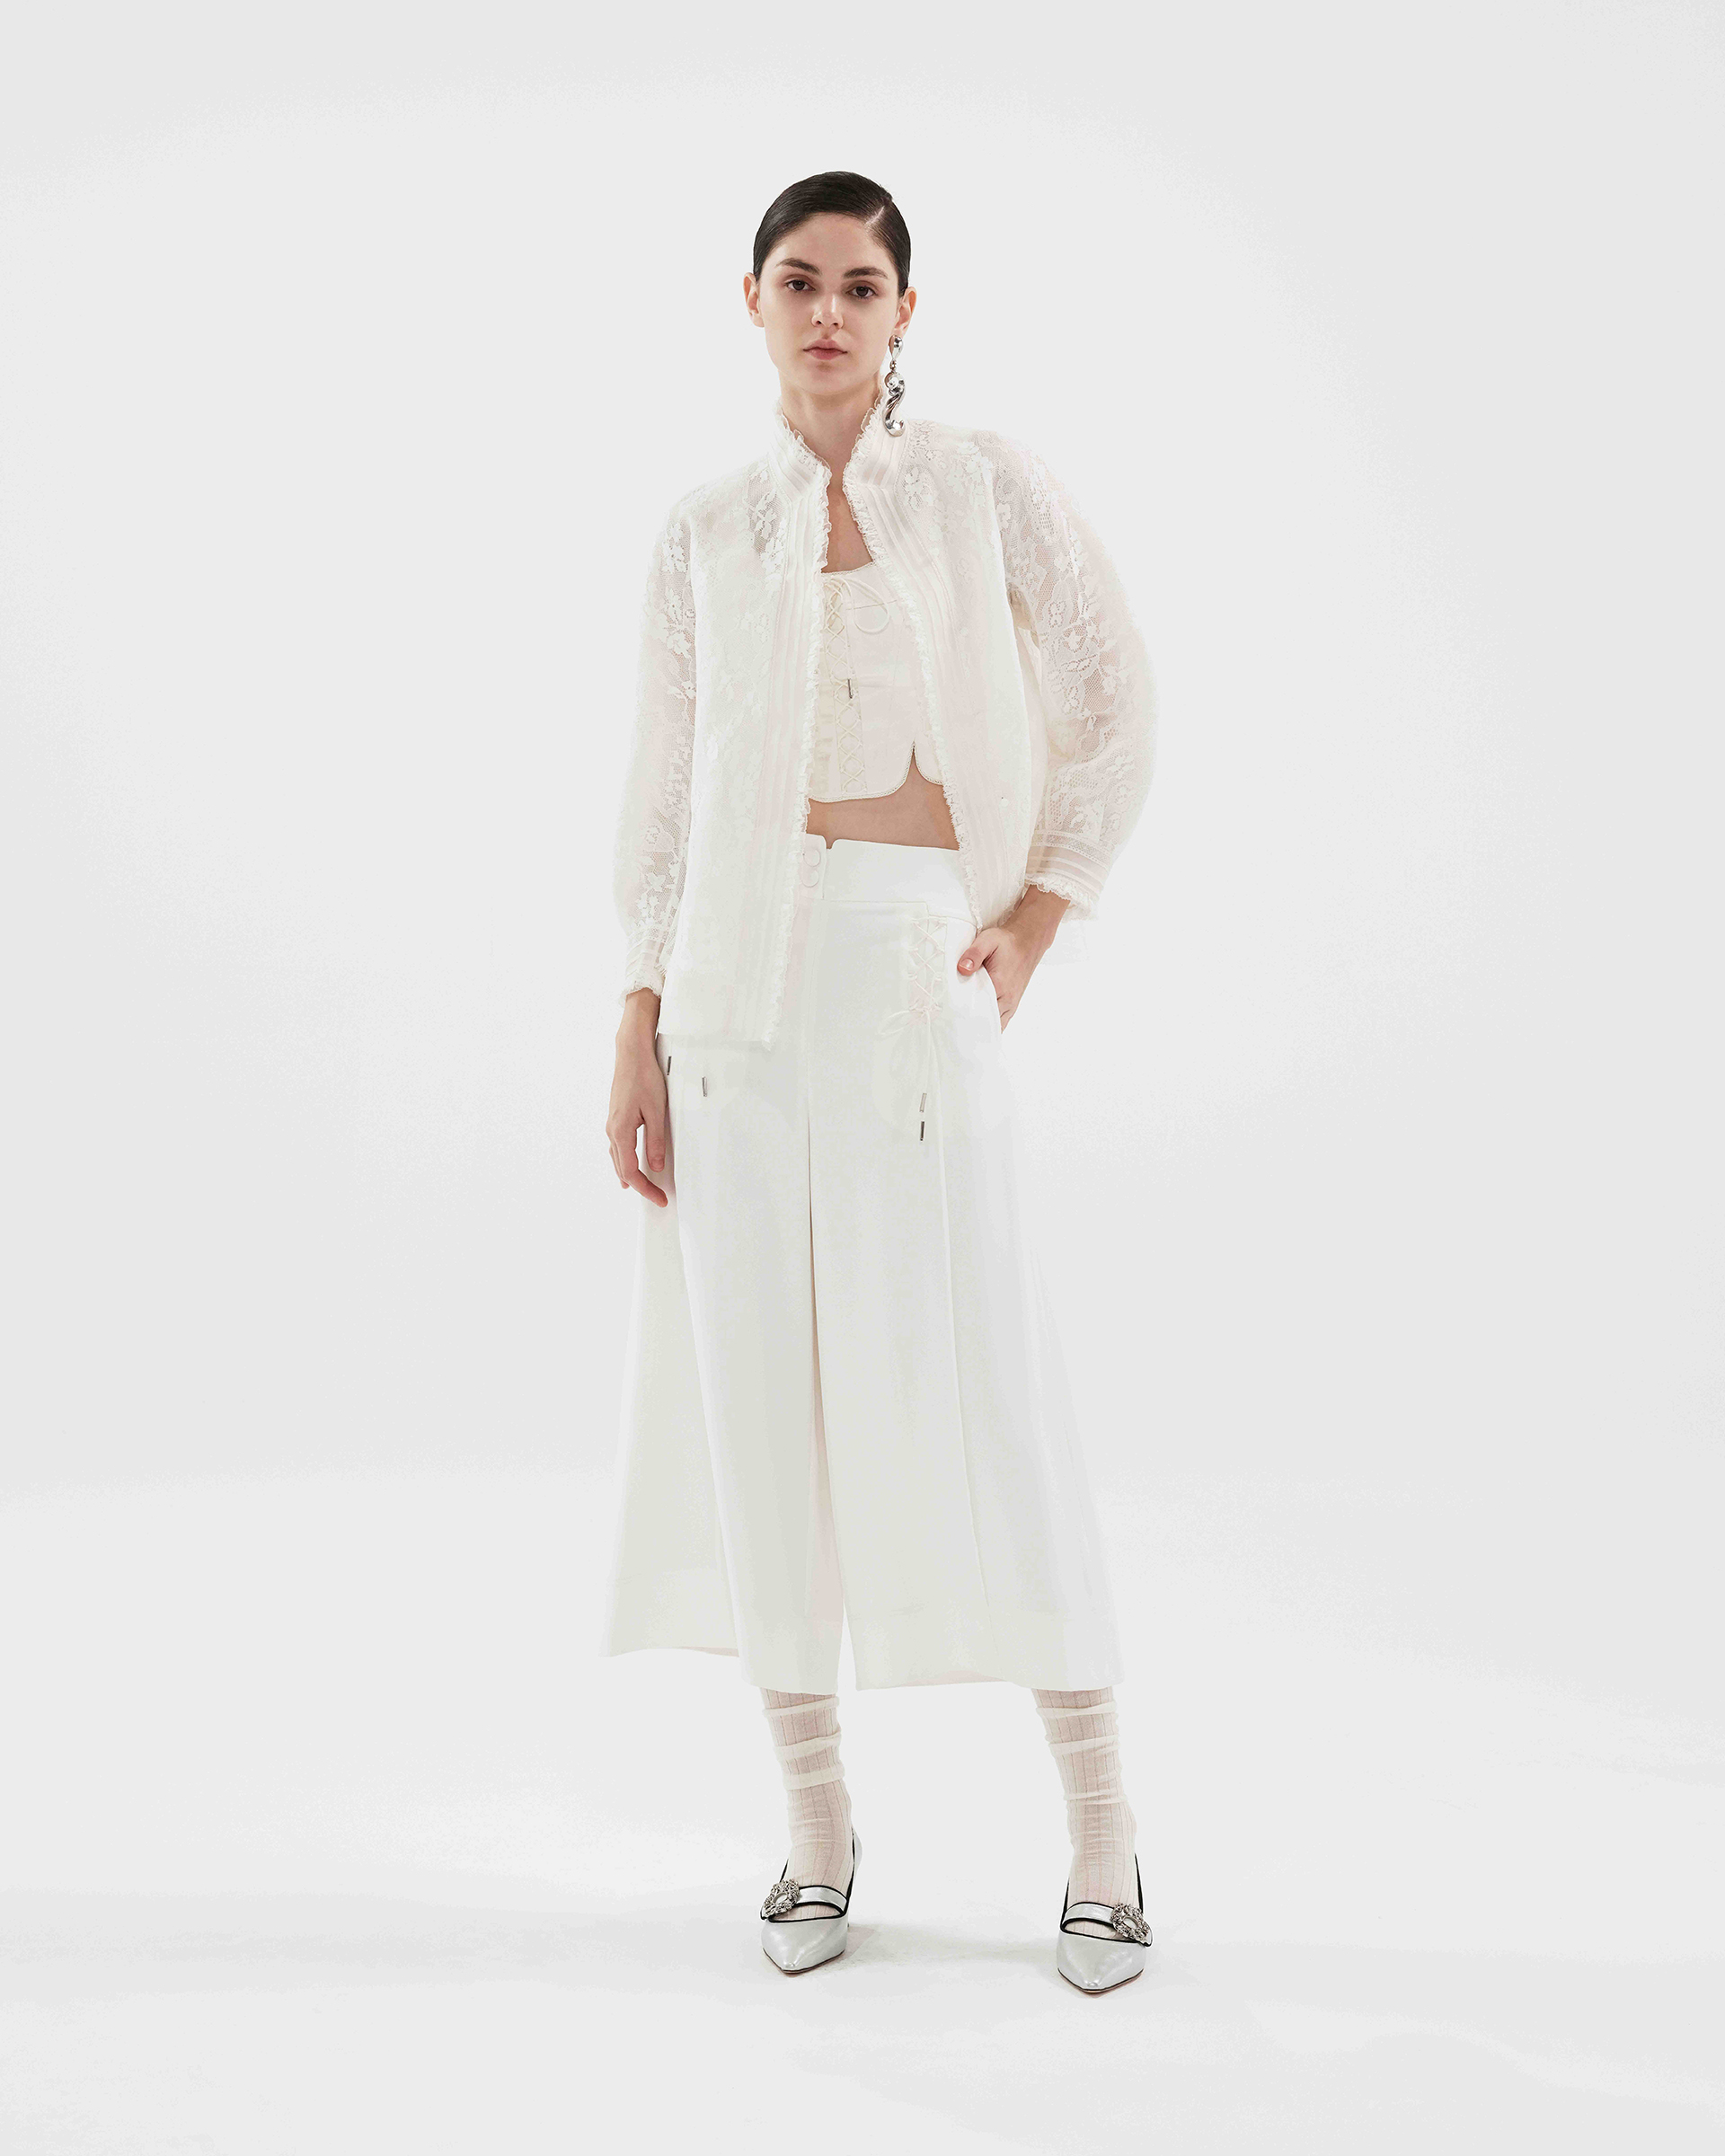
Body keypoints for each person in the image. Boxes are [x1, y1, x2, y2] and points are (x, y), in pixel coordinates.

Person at [599, 171, 1156, 1993]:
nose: (828, 311)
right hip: (730, 998)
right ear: (753, 303)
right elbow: (664, 794)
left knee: (986, 1381)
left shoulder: (981, 488)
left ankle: (1102, 1830)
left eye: (860, 283)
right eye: (799, 281)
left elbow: (1115, 695)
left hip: (916, 965)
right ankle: (817, 1829)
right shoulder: (705, 532)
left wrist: (1041, 914)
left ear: (906, 309)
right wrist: (635, 1016)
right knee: (761, 1400)